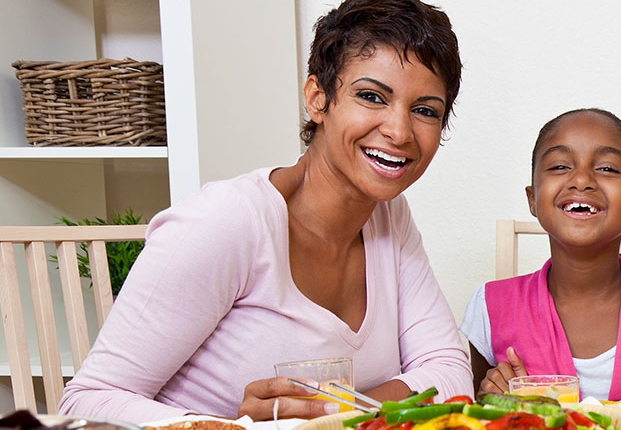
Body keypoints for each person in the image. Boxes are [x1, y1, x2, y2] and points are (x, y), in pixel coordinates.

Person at [58, 0, 471, 422]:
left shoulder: (389, 218)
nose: (399, 131)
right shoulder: (226, 221)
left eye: (425, 110)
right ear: (318, 99)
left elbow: (450, 372)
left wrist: (335, 411)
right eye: (370, 96)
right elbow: (89, 397)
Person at [459, 108, 621, 420]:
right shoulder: (490, 307)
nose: (582, 180)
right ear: (533, 199)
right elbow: (476, 413)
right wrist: (492, 404)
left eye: (608, 169)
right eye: (560, 166)